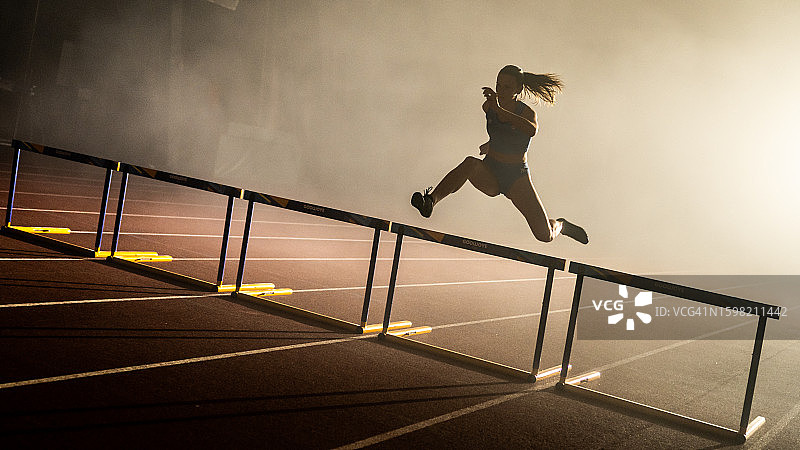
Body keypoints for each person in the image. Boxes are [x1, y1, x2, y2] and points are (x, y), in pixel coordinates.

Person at [411, 65, 588, 245]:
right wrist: (490, 144)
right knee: (470, 164)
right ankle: (430, 201)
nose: (500, 91)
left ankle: (561, 225)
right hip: (491, 170)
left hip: (515, 177)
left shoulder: (526, 112)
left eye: (506, 87)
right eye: (498, 86)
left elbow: (530, 131)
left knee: (544, 235)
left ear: (518, 90)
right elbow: (501, 133)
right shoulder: (488, 107)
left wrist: (499, 109)